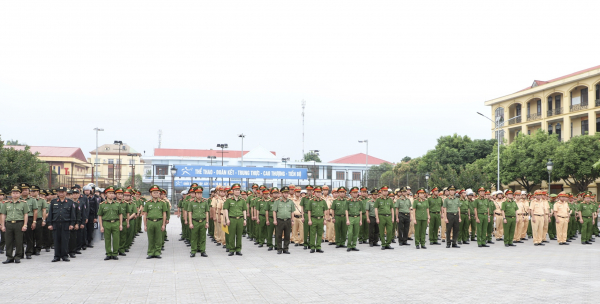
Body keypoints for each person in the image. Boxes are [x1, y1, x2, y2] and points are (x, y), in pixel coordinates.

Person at [46, 186, 77, 262]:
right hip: (56, 224)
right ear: (57, 193)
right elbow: (50, 214)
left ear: (65, 193)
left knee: (65, 241)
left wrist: (72, 224)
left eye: (62, 192)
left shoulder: (70, 202)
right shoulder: (53, 202)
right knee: (56, 241)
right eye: (59, 192)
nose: (61, 193)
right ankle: (56, 256)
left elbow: (72, 215)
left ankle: (64, 255)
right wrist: (49, 224)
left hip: (66, 224)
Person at [0, 186, 30, 264]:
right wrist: (2, 225)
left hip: (19, 223)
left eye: (17, 193)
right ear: (11, 194)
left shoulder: (23, 203)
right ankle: (9, 257)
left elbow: (25, 215)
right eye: (13, 193)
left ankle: (17, 256)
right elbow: (3, 214)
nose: (15, 194)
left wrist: (25, 225)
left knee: (19, 241)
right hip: (9, 224)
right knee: (8, 241)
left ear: (20, 194)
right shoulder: (6, 204)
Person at [98, 186, 123, 260]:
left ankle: (115, 253)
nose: (111, 195)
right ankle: (108, 253)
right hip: (106, 223)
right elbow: (100, 215)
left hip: (115, 223)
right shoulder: (102, 205)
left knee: (116, 239)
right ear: (106, 195)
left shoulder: (117, 204)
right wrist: (101, 226)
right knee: (107, 239)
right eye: (109, 193)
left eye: (112, 193)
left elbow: (120, 214)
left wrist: (121, 224)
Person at [223, 183, 247, 256]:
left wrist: (245, 219)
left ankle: (238, 249)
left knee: (239, 235)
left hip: (240, 219)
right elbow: (226, 209)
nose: (237, 191)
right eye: (236, 190)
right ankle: (231, 249)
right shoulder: (229, 200)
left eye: (238, 190)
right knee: (231, 235)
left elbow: (244, 210)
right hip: (232, 219)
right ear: (233, 191)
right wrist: (227, 219)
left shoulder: (242, 200)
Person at [187, 186, 209, 257]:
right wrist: (190, 223)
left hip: (203, 221)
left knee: (203, 237)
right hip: (195, 222)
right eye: (198, 193)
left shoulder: (205, 202)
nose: (199, 195)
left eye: (200, 193)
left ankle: (203, 251)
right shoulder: (191, 203)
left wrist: (207, 222)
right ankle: (193, 251)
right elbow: (190, 213)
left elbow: (207, 213)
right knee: (194, 237)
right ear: (195, 194)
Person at [19, 183, 38, 260]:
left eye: (26, 190)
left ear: (29, 191)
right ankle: (20, 253)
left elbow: (35, 211)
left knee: (29, 237)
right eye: (23, 190)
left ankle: (29, 252)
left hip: (30, 219)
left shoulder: (32, 200)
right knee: (19, 237)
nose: (24, 191)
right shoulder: (18, 200)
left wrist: (34, 221)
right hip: (20, 219)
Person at [273, 186, 294, 254]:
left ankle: (286, 248)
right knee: (278, 235)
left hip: (288, 220)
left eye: (287, 193)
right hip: (280, 220)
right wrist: (275, 220)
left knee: (287, 235)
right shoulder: (277, 201)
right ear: (281, 194)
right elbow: (274, 211)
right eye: (284, 193)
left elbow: (292, 211)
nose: (286, 194)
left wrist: (292, 220)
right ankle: (279, 249)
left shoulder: (290, 202)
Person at [307, 186, 327, 253]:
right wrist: (309, 220)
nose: (318, 193)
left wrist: (325, 219)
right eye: (317, 192)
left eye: (319, 192)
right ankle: (312, 247)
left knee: (320, 233)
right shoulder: (311, 201)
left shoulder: (323, 201)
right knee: (312, 233)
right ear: (314, 193)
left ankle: (318, 247)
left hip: (321, 219)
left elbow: (325, 210)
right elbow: (309, 211)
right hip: (313, 219)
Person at [344, 187, 363, 252]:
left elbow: (360, 211)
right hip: (351, 217)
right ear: (351, 194)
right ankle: (349, 245)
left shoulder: (359, 201)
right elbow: (346, 211)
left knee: (356, 233)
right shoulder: (348, 201)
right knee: (350, 233)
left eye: (356, 193)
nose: (355, 194)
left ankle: (354, 245)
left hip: (357, 218)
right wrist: (347, 220)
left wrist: (360, 220)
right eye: (354, 193)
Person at [30, 185, 47, 256]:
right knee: (30, 236)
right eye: (31, 191)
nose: (32, 193)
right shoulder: (28, 200)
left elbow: (44, 211)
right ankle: (31, 249)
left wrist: (43, 220)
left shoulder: (42, 200)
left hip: (39, 219)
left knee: (38, 236)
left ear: (38, 192)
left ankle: (38, 249)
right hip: (30, 219)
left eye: (34, 191)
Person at [68, 189, 82, 258]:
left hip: (73, 223)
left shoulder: (76, 204)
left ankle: (72, 251)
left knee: (73, 238)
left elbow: (78, 214)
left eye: (69, 195)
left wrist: (77, 223)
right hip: (65, 223)